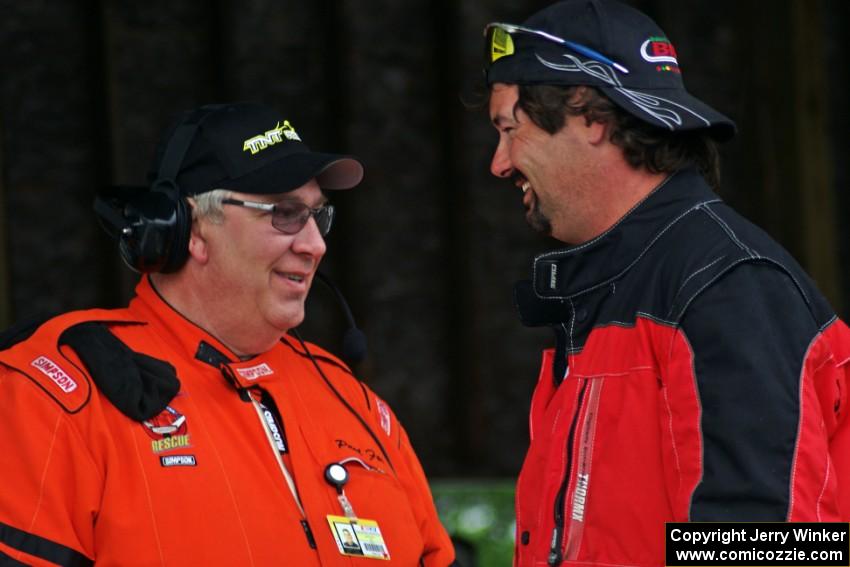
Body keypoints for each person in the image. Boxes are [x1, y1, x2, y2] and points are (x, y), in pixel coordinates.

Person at [0, 102, 454, 566]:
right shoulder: (55, 393)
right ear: (192, 229)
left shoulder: (352, 401)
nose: (315, 244)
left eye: (318, 216)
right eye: (284, 213)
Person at [481, 0, 850, 565]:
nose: (499, 163)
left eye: (510, 129)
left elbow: (761, 548)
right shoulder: (613, 288)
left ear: (591, 117)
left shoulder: (726, 286)